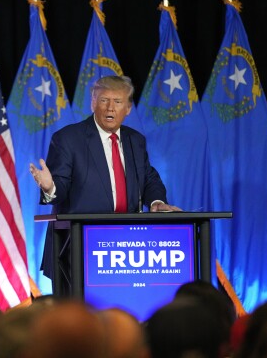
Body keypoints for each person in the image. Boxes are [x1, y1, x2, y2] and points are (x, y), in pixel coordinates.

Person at [29, 75, 180, 279]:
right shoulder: (68, 139)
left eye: (117, 102)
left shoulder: (135, 140)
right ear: (93, 103)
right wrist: (49, 187)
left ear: (127, 108)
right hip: (78, 250)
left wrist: (157, 201)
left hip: (126, 249)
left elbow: (148, 177)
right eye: (104, 100)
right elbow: (60, 189)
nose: (110, 108)